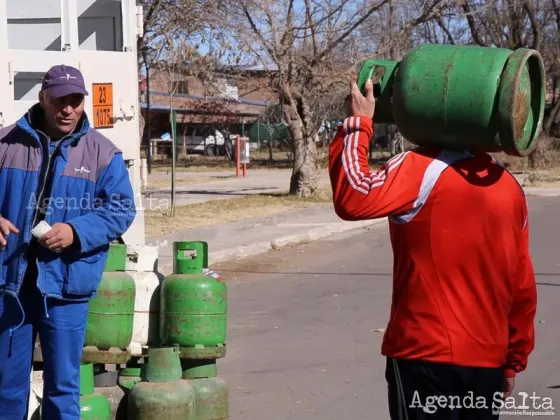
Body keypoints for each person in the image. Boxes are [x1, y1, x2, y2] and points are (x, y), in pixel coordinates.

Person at [329, 78, 537, 419]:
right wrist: (513, 359)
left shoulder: (419, 167)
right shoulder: (508, 186)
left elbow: (354, 198)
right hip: (487, 361)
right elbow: (522, 286)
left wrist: (358, 125)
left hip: (424, 355)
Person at [0, 64, 136, 419]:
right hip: (11, 285)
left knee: (63, 387)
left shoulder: (102, 153)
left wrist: (77, 232)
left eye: (76, 100)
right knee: (5, 386)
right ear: (43, 97)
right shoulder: (5, 143)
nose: (68, 109)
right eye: (60, 99)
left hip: (67, 286)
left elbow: (122, 209)